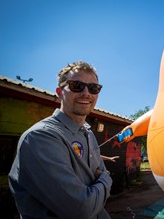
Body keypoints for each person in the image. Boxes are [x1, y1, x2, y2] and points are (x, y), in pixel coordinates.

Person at [8, 61, 112, 218]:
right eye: (76, 85)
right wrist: (106, 179)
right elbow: (81, 209)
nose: (86, 93)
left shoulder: (88, 133)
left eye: (93, 88)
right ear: (59, 92)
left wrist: (100, 183)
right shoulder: (40, 137)